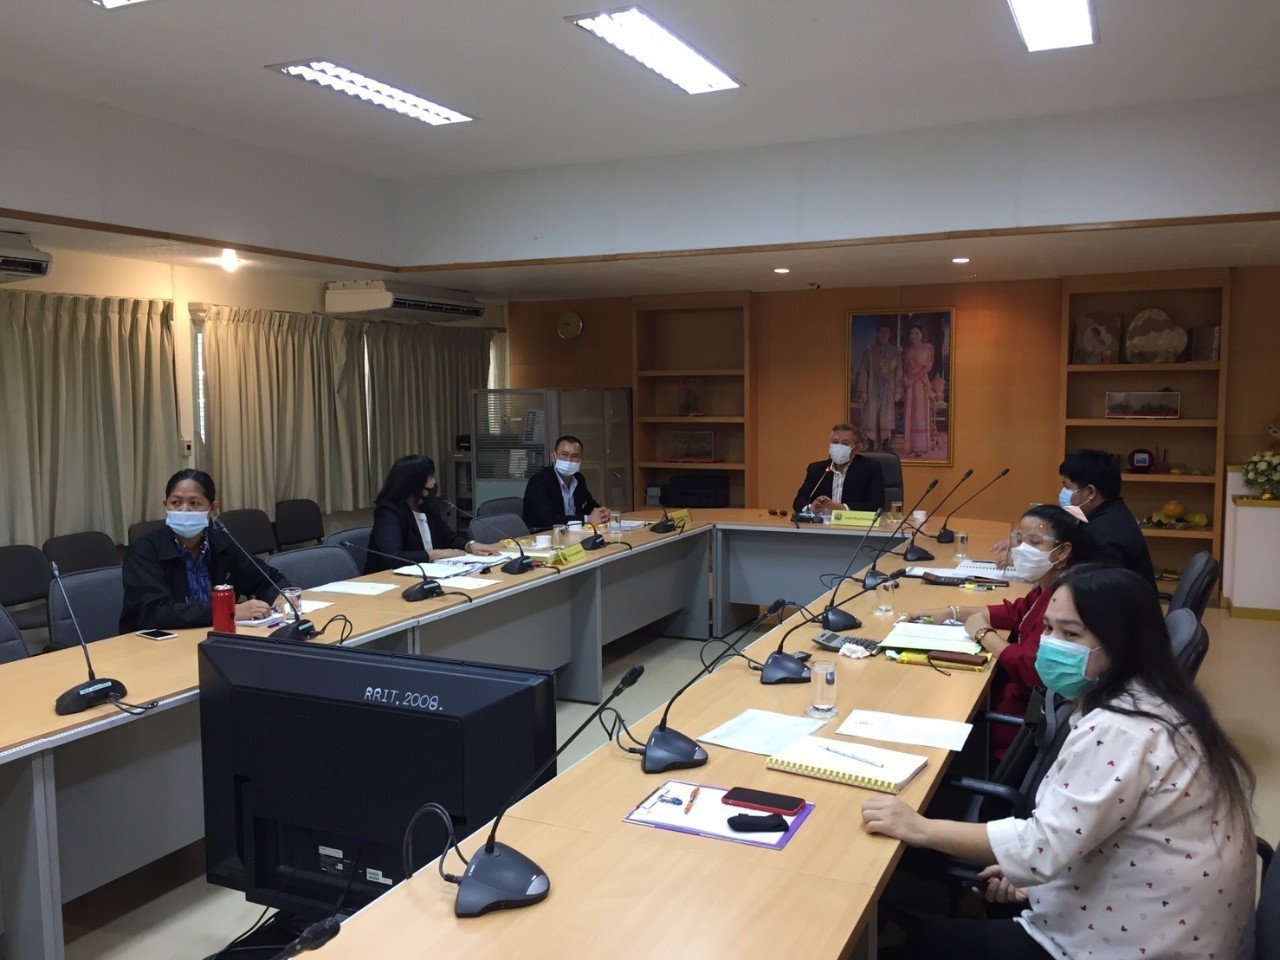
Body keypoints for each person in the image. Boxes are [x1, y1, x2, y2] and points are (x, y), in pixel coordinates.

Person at [863, 565, 1256, 960]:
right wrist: (1041, 878)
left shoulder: (1122, 729)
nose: (1051, 644)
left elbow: (1040, 847)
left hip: (1133, 945)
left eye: (1071, 635)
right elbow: (1079, 832)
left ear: (1122, 644)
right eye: (1048, 629)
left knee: (924, 942)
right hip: (1152, 914)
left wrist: (917, 827)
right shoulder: (1155, 699)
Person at [908, 505, 1095, 760]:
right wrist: (952, 611)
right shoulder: (1049, 587)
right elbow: (1018, 612)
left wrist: (984, 634)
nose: (1021, 550)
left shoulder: (1065, 599)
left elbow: (1031, 669)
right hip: (1012, 701)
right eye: (1019, 540)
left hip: (1017, 721)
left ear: (1062, 551)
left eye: (1034, 542)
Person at [120, 469, 290, 632]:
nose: (184, 510)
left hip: (215, 634)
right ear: (166, 506)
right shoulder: (145, 550)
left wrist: (281, 595)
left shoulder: (222, 543)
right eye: (175, 503)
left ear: (212, 509)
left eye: (194, 503)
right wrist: (226, 611)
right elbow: (154, 612)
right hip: (157, 642)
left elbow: (266, 579)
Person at [366, 455, 501, 573]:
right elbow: (393, 557)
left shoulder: (427, 506)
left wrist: (470, 545)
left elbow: (448, 537)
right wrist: (438, 553)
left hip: (430, 571)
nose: (434, 482)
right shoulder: (388, 511)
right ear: (415, 482)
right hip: (391, 579)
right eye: (430, 477)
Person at [1058, 448, 1156, 586]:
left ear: (1090, 492)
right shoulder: (1114, 514)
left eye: (1068, 487)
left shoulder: (1100, 534)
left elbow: (1096, 591)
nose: (1063, 493)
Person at [793, 423, 885, 515]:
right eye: (835, 442)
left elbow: (877, 504)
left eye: (845, 443)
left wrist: (843, 508)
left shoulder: (870, 468)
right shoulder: (816, 469)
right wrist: (810, 507)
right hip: (822, 522)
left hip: (853, 522)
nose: (838, 447)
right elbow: (798, 501)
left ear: (857, 448)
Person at [522, 435, 609, 531]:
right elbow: (547, 519)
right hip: (544, 534)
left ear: (580, 460)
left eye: (574, 456)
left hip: (573, 533)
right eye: (564, 455)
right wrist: (587, 519)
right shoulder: (539, 481)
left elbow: (589, 504)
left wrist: (602, 513)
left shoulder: (578, 478)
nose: (569, 460)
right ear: (553, 457)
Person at [853, 322, 901, 453]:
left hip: (888, 388)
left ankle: (885, 442)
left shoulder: (895, 352)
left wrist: (898, 390)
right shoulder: (870, 352)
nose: (883, 334)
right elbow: (863, 371)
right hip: (872, 388)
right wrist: (863, 390)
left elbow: (899, 373)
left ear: (890, 334)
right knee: (871, 415)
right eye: (881, 332)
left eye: (886, 332)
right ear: (877, 334)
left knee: (886, 415)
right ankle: (870, 442)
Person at [901, 324, 934, 458]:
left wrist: (913, 380)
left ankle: (921, 447)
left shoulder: (928, 347)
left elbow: (927, 368)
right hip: (910, 384)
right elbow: (904, 367)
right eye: (911, 333)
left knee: (920, 412)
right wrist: (905, 380)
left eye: (916, 333)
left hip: (921, 383)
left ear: (921, 334)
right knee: (910, 412)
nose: (914, 336)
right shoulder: (908, 350)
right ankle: (911, 446)